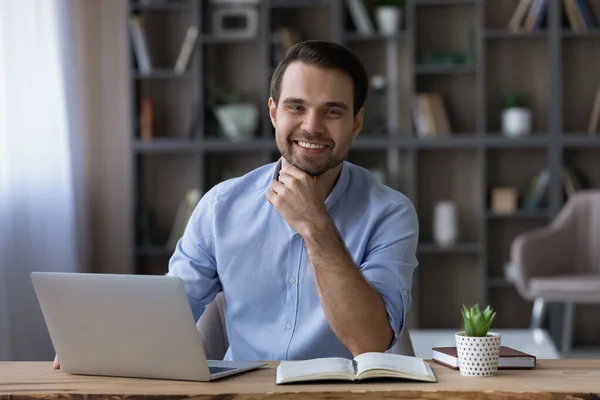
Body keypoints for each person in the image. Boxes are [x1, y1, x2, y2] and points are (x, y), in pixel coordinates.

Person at [53, 40, 418, 369]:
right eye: (296, 107)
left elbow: (369, 343)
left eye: (333, 112)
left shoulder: (390, 213)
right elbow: (170, 314)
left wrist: (315, 225)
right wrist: (100, 343)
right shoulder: (220, 207)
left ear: (355, 123)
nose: (312, 126)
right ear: (274, 113)